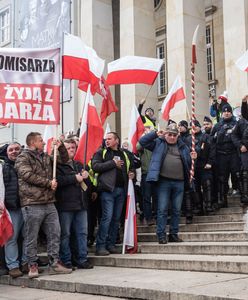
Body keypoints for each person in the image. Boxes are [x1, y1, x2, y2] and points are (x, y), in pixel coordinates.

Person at [15, 132, 72, 279]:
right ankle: (32, 265)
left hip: (49, 202)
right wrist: (48, 183)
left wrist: (60, 148)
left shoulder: (45, 156)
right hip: (32, 203)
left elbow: (64, 160)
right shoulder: (23, 157)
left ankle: (54, 262)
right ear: (32, 142)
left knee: (55, 233)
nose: (44, 143)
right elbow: (26, 175)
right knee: (31, 236)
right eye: (41, 141)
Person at [139, 123, 195, 244]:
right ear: (165, 134)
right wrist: (155, 134)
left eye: (174, 135)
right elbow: (142, 142)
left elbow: (188, 162)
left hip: (179, 182)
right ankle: (161, 234)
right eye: (169, 134)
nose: (172, 137)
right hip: (163, 182)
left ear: (178, 136)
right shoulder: (158, 143)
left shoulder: (183, 147)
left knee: (176, 210)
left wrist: (193, 157)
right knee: (162, 209)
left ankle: (173, 234)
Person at [92, 132, 134, 256]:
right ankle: (100, 246)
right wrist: (112, 163)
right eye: (106, 139)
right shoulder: (102, 152)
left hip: (121, 190)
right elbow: (95, 166)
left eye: (110, 139)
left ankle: (111, 244)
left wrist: (132, 173)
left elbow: (131, 167)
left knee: (116, 219)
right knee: (107, 218)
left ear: (117, 140)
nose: (107, 141)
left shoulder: (124, 154)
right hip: (107, 191)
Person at [56, 139, 93, 269]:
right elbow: (57, 182)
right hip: (65, 205)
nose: (71, 149)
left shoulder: (79, 164)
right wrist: (73, 178)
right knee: (65, 234)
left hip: (81, 204)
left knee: (82, 233)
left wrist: (87, 177)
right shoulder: (57, 165)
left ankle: (82, 259)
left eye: (73, 147)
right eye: (68, 148)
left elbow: (87, 187)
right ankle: (66, 260)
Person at [3, 142, 27, 278]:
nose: (14, 152)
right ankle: (13, 266)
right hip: (12, 207)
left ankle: (25, 263)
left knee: (27, 237)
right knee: (11, 237)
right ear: (7, 153)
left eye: (17, 149)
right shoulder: (4, 168)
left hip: (27, 205)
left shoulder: (26, 165)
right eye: (11, 150)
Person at [211, 105, 240, 208]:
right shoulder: (218, 125)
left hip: (234, 153)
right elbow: (212, 141)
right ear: (222, 113)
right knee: (222, 178)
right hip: (221, 154)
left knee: (237, 174)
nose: (226, 113)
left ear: (231, 113)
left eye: (228, 112)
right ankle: (223, 200)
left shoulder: (237, 123)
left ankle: (239, 194)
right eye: (224, 112)